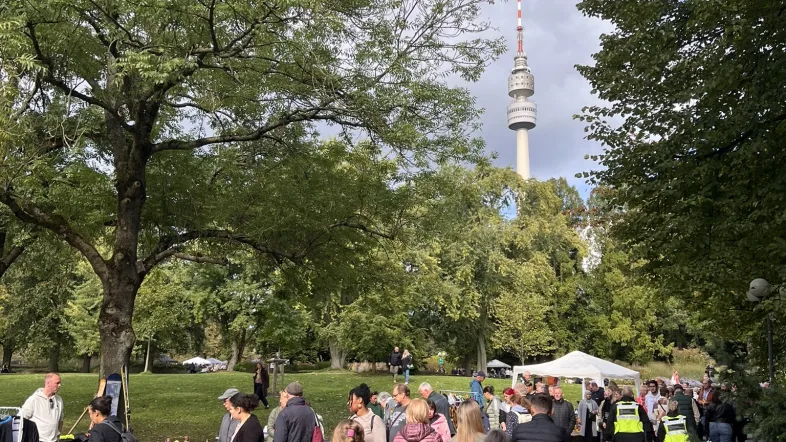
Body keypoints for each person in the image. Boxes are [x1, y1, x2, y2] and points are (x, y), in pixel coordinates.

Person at [21, 372, 64, 442]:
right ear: (48, 383)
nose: (59, 385)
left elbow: (60, 420)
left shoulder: (59, 400)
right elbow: (21, 419)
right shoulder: (34, 399)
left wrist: (58, 435)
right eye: (57, 383)